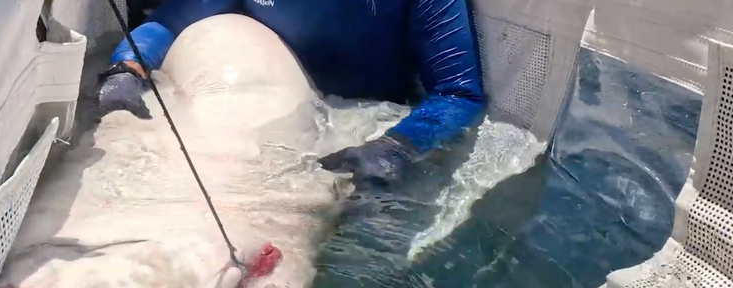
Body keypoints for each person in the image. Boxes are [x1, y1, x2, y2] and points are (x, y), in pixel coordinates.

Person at [96, 0, 485, 190]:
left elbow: (457, 93)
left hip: (367, 125)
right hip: (259, 115)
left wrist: (396, 147)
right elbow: (170, 21)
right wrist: (127, 68)